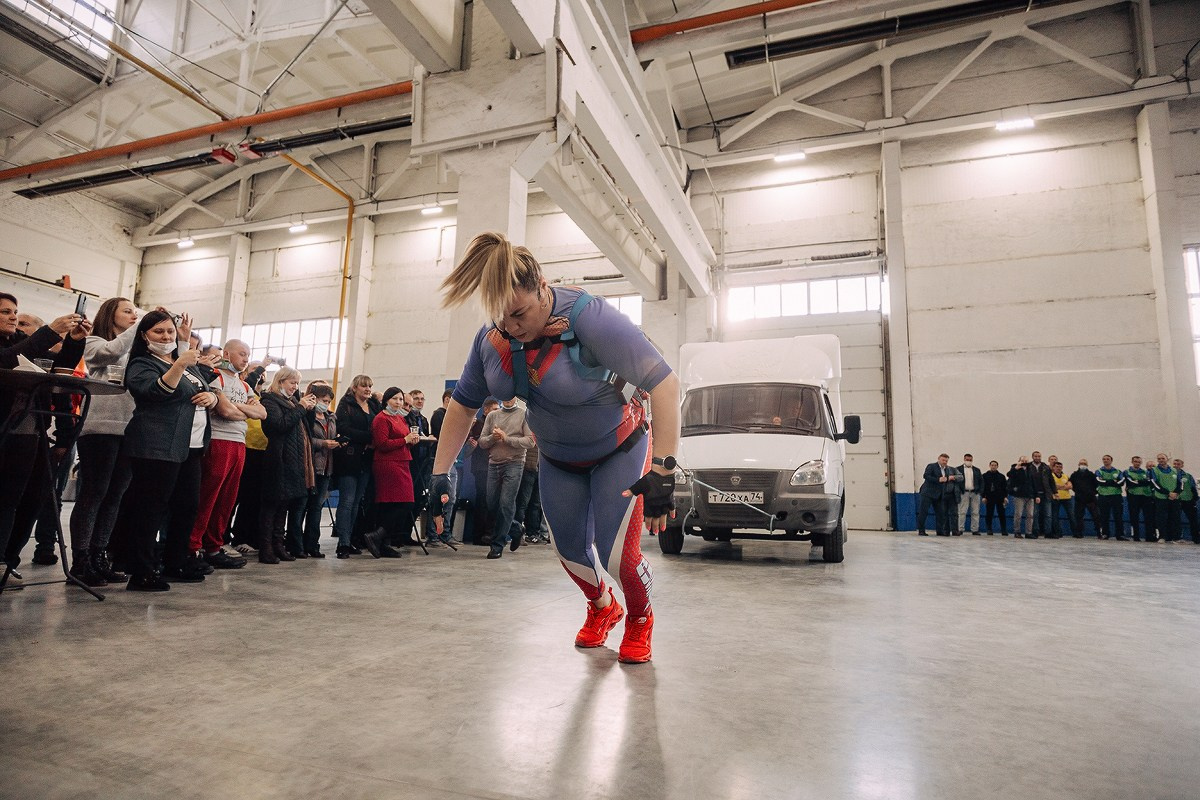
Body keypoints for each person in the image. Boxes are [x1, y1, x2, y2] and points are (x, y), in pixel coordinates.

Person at [429, 231, 679, 664]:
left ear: (542, 286)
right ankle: (604, 608)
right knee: (570, 553)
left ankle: (640, 619)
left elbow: (665, 382)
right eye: (501, 317)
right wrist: (439, 472)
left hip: (620, 449)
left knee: (619, 554)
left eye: (519, 313)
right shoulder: (491, 340)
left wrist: (663, 470)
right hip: (559, 459)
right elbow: (463, 406)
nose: (511, 326)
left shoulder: (590, 318)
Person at [119, 310, 218, 591]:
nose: (166, 337)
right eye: (158, 332)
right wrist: (180, 363)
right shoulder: (142, 363)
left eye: (170, 332)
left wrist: (211, 397)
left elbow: (206, 388)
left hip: (190, 446)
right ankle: (142, 571)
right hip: (156, 445)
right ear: (144, 336)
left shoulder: (181, 361)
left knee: (187, 506)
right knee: (151, 509)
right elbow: (157, 392)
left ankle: (175, 561)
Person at [0, 293, 89, 589]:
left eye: (15, 311)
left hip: (32, 435)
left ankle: (8, 560)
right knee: (6, 501)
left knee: (30, 502)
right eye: (5, 312)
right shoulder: (10, 349)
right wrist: (50, 331)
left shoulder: (18, 344)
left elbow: (58, 364)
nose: (13, 317)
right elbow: (7, 361)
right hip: (8, 435)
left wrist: (74, 339)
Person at [68, 297, 139, 585]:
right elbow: (111, 352)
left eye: (136, 312)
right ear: (111, 314)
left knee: (115, 495)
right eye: (128, 311)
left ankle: (100, 555)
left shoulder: (136, 348)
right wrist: (141, 324)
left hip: (129, 428)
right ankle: (81, 560)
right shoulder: (94, 341)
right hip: (99, 427)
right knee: (94, 492)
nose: (134, 316)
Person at [188, 339, 264, 569]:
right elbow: (223, 410)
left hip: (239, 443)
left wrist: (236, 408)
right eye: (242, 354)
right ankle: (193, 546)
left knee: (227, 499)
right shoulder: (214, 377)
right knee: (209, 495)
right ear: (227, 354)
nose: (246, 359)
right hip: (219, 440)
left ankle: (214, 545)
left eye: (248, 355)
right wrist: (245, 411)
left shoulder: (244, 385)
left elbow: (262, 412)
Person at [258, 367, 315, 563]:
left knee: (284, 504)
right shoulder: (269, 401)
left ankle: (278, 545)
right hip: (278, 459)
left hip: (293, 459)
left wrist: (306, 409)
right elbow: (279, 425)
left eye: (297, 383)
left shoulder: (291, 403)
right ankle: (266, 548)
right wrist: (300, 407)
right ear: (280, 381)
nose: (295, 387)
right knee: (272, 505)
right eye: (292, 382)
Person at [364, 387, 419, 558]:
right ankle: (377, 535)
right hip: (388, 464)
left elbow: (402, 440)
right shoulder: (381, 419)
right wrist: (405, 440)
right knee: (404, 503)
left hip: (402, 461)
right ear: (386, 400)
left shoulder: (400, 418)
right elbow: (382, 444)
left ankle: (383, 543)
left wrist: (411, 441)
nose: (398, 402)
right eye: (395, 399)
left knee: (394, 505)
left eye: (401, 399)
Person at [479, 397, 534, 558]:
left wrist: (506, 438)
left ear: (516, 397)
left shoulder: (524, 415)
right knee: (492, 504)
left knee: (506, 504)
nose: (508, 399)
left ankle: (497, 545)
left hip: (514, 463)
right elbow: (482, 442)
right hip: (494, 463)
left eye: (511, 396)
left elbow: (530, 441)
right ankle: (516, 528)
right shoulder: (492, 416)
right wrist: (492, 438)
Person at [332, 375, 379, 558]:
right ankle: (342, 543)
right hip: (349, 458)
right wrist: (368, 438)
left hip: (367, 458)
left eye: (370, 386)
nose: (367, 389)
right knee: (347, 501)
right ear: (355, 388)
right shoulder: (346, 405)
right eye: (364, 386)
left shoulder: (374, 405)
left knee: (357, 502)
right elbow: (343, 429)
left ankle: (350, 539)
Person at [300, 382, 340, 558]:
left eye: (329, 401)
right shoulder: (307, 416)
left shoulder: (331, 417)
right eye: (324, 400)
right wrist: (323, 443)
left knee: (317, 507)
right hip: (310, 465)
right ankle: (296, 542)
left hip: (326, 467)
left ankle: (312, 543)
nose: (326, 404)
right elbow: (306, 439)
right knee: (301, 507)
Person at [917, 454, 955, 536]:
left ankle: (940, 531)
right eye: (943, 460)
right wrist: (938, 479)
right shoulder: (931, 466)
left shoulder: (947, 469)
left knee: (941, 513)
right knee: (923, 512)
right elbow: (926, 476)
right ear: (938, 459)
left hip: (939, 494)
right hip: (928, 493)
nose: (944, 462)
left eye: (946, 461)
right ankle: (921, 530)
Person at [1148, 453, 1181, 543]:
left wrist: (1175, 493)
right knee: (1161, 518)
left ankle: (1175, 537)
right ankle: (1162, 536)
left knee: (1174, 517)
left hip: (1174, 498)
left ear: (1167, 459)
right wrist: (1168, 493)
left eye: (1163, 458)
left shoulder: (1175, 470)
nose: (1161, 460)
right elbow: (1154, 484)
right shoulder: (1154, 470)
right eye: (1159, 458)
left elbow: (1180, 483)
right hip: (1161, 498)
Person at [1069, 459, 1102, 538]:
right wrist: (1077, 491)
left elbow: (1097, 485)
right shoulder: (1074, 475)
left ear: (1087, 465)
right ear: (1078, 464)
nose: (1082, 465)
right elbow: (1071, 484)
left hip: (1091, 499)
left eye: (1084, 463)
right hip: (1079, 499)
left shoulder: (1091, 475)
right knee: (1078, 517)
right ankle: (1079, 533)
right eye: (1081, 463)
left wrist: (1092, 493)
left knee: (1096, 516)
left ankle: (1099, 533)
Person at [1007, 457, 1038, 539]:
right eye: (1022, 461)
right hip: (1019, 495)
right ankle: (1017, 531)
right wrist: (1016, 468)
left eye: (1026, 461)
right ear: (1019, 461)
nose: (1024, 462)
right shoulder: (1015, 468)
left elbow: (1034, 482)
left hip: (1030, 495)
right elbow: (1009, 475)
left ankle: (1029, 532)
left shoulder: (1031, 469)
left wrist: (1036, 495)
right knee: (1018, 514)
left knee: (1030, 515)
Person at [1095, 455, 1125, 540]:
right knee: (1104, 516)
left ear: (1111, 460)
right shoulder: (1099, 471)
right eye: (1104, 459)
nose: (1106, 460)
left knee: (1118, 516)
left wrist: (1106, 481)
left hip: (1116, 496)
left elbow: (1121, 482)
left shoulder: (1118, 471)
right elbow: (1099, 481)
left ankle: (1120, 535)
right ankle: (1105, 534)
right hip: (1103, 496)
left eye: (1108, 459)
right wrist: (1113, 481)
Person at [1124, 456, 1152, 541]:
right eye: (1135, 461)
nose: (1137, 463)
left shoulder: (1145, 472)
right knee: (1134, 516)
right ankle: (1135, 536)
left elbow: (1149, 482)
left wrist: (1137, 481)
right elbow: (1130, 482)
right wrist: (1142, 482)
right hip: (1133, 496)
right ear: (1132, 462)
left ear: (1141, 463)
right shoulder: (1127, 471)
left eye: (1139, 462)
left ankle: (1149, 536)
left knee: (1148, 517)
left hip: (1146, 496)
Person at [1172, 458, 1198, 544]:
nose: (1176, 466)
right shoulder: (1170, 475)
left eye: (1178, 464)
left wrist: (1194, 498)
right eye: (1174, 464)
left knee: (1193, 519)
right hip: (1176, 500)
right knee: (1175, 519)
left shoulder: (1188, 476)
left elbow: (1193, 487)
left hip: (1188, 500)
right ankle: (1176, 537)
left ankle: (1196, 538)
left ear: (1182, 465)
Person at [1028, 451, 1053, 537]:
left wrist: (1055, 492)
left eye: (1039, 456)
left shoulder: (1046, 467)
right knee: (1035, 514)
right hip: (1034, 494)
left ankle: (1048, 532)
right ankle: (1035, 531)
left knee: (1048, 514)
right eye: (1036, 456)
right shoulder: (1028, 467)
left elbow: (1051, 480)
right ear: (1032, 457)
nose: (1037, 458)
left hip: (1046, 494)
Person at [980, 460, 1008, 535]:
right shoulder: (985, 476)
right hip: (989, 497)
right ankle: (989, 529)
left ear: (997, 466)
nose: (993, 466)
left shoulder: (1001, 476)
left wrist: (1005, 497)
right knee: (989, 514)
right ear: (989, 466)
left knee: (1002, 514)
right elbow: (983, 487)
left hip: (1000, 497)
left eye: (995, 465)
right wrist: (983, 497)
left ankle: (1004, 530)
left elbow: (1005, 488)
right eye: (992, 465)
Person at [957, 454, 982, 535]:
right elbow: (956, 482)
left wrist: (979, 491)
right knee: (962, 511)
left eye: (970, 460)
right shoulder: (958, 469)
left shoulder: (977, 470)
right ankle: (960, 529)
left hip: (975, 493)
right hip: (964, 493)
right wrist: (959, 491)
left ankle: (975, 530)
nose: (969, 461)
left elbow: (981, 481)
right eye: (967, 459)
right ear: (964, 459)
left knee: (975, 512)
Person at [1048, 462, 1072, 539]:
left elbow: (1070, 486)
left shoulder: (1065, 476)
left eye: (1060, 467)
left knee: (1072, 515)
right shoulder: (1051, 475)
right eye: (1057, 466)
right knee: (1054, 516)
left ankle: (1076, 532)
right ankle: (1057, 532)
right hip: (1055, 498)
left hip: (1067, 498)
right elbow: (1052, 485)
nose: (1058, 468)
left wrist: (1059, 486)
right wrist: (1064, 486)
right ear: (1053, 467)